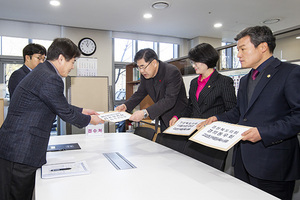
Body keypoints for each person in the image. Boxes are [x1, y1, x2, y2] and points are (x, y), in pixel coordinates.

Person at [202, 26, 300, 200]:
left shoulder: (290, 73)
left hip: (273, 163)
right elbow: (241, 111)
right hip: (243, 161)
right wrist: (217, 118)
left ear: (262, 47)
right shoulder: (247, 79)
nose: (238, 54)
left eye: (242, 49)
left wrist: (263, 133)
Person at [0, 38, 104, 200]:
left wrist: (84, 110)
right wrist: (91, 120)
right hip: (20, 150)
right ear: (61, 58)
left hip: (16, 147)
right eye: (73, 61)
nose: (72, 66)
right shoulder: (50, 77)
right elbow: (64, 112)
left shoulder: (42, 72)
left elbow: (57, 103)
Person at [169, 43, 236, 170]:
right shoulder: (194, 83)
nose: (193, 65)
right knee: (191, 170)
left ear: (207, 59)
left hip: (211, 138)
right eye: (192, 62)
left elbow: (233, 111)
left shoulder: (224, 82)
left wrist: (216, 118)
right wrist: (178, 117)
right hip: (194, 135)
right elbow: (190, 106)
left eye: (196, 62)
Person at [116, 48, 188, 132]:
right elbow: (140, 93)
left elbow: (169, 100)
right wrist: (126, 106)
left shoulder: (171, 72)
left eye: (143, 67)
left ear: (154, 63)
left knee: (176, 145)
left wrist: (145, 112)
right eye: (139, 67)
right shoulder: (146, 75)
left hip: (177, 118)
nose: (141, 71)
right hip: (163, 117)